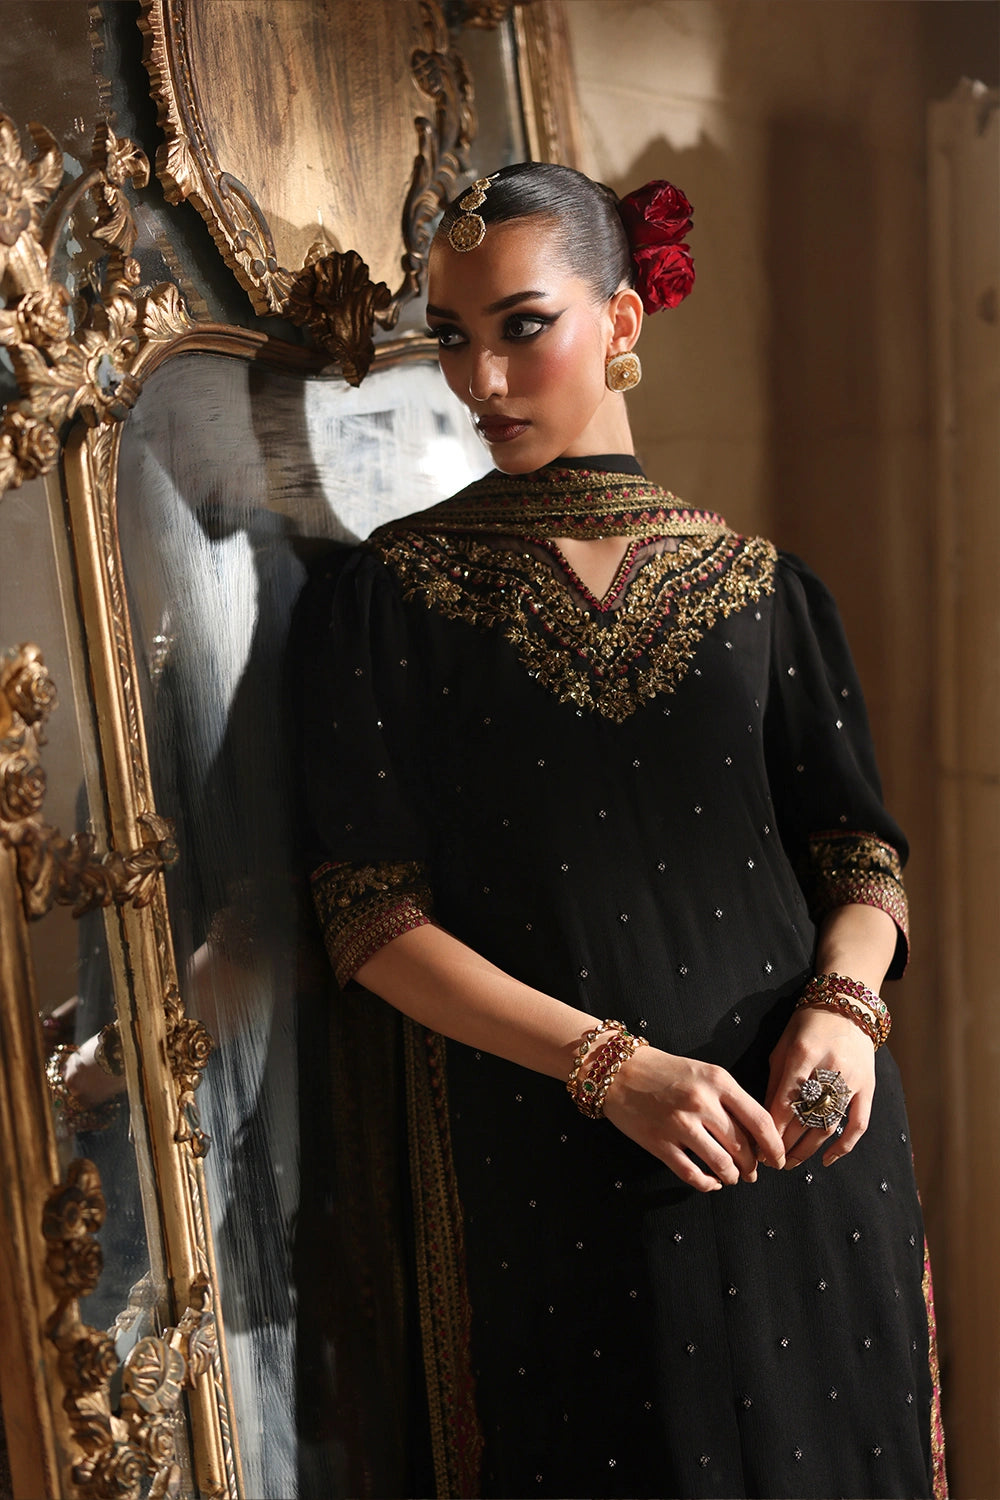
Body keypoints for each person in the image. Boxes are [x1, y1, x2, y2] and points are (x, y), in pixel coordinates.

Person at [299, 162, 945, 1500]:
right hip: (548, 1159)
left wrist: (844, 1008)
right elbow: (367, 919)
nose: (481, 380)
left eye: (523, 326)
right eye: (454, 338)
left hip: (800, 1139)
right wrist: (612, 1070)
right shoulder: (390, 596)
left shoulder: (765, 589)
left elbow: (859, 856)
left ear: (623, 319)